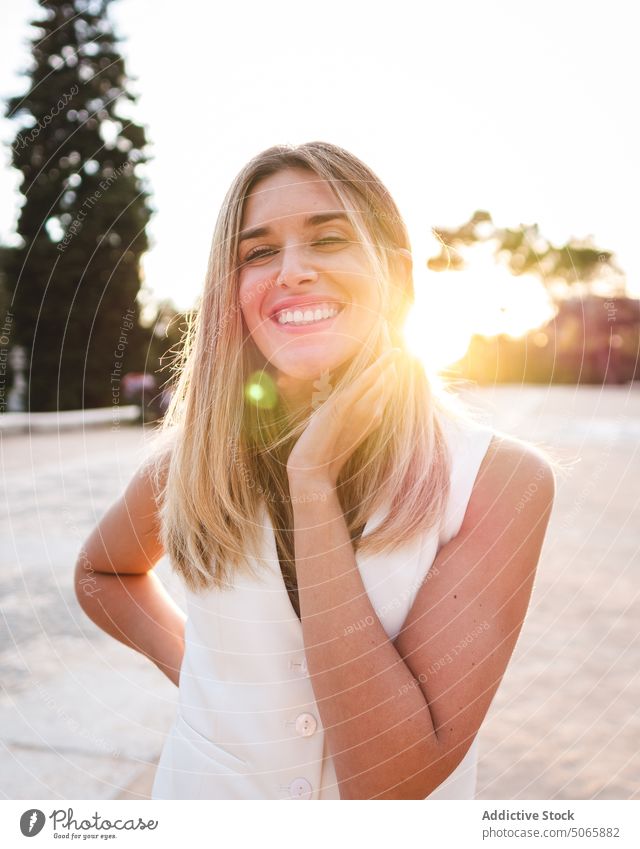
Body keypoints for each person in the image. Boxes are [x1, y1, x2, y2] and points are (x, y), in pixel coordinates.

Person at [74, 141, 556, 800]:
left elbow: (388, 786)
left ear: (398, 278)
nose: (292, 270)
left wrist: (314, 482)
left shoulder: (499, 478)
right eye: (259, 252)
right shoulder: (193, 463)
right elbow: (102, 572)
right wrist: (196, 671)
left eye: (329, 240)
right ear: (234, 291)